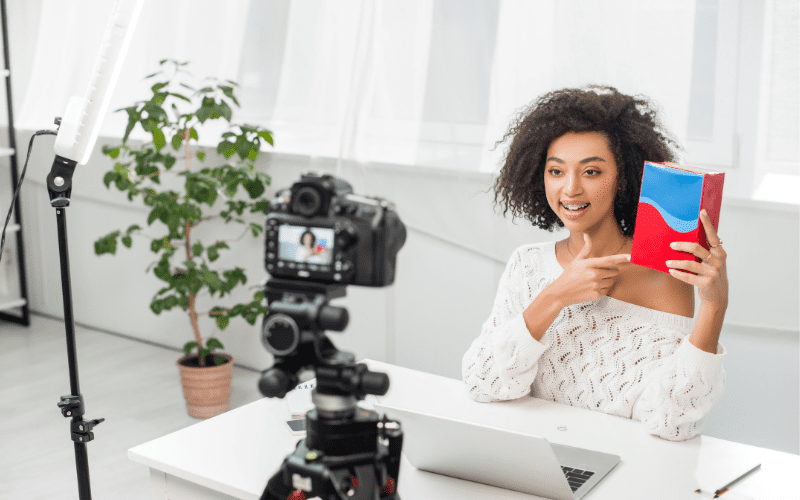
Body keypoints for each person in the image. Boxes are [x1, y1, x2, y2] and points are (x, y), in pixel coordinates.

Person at [462, 86, 728, 441]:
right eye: (556, 172)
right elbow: (483, 382)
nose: (570, 189)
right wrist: (554, 297)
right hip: (530, 462)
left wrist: (714, 306)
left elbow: (669, 421)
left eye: (590, 172)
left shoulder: (663, 276)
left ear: (622, 179)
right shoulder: (527, 264)